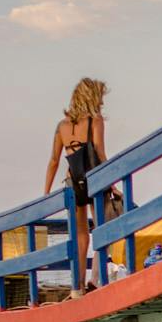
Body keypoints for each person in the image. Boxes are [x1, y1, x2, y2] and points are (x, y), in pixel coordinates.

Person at [41, 78, 115, 294]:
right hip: (94, 179)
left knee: (80, 234)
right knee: (101, 229)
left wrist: (46, 193)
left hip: (72, 182)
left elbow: (54, 160)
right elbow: (100, 152)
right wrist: (112, 184)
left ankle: (78, 286)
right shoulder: (95, 120)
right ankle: (98, 280)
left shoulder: (62, 126)